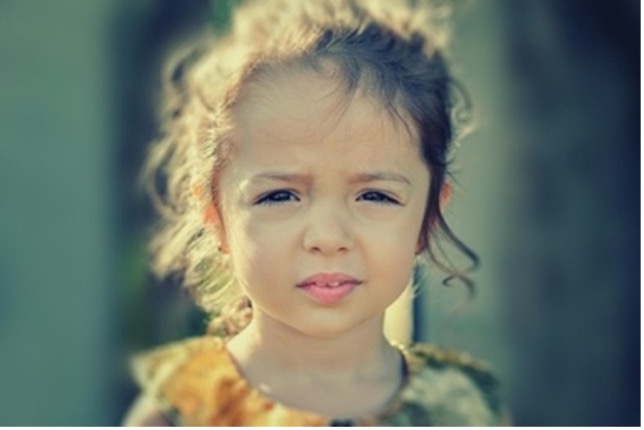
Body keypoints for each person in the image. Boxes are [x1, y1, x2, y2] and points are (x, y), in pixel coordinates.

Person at [123, 0, 505, 425]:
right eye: (280, 196)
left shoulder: (458, 408)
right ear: (216, 216)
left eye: (375, 196)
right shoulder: (182, 409)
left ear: (428, 218)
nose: (327, 237)